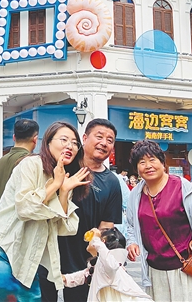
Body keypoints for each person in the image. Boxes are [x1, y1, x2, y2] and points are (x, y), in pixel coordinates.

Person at [0, 121, 91, 301]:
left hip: (28, 260)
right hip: (4, 250)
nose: (70, 146)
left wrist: (64, 191)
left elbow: (65, 228)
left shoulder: (62, 176)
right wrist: (55, 185)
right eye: (64, 140)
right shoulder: (31, 164)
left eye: (75, 143)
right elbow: (24, 208)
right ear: (47, 142)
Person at [39, 118, 124, 301]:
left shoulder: (112, 182)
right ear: (84, 138)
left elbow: (107, 225)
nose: (104, 143)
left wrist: (97, 243)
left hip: (82, 262)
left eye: (110, 140)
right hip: (47, 253)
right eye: (99, 137)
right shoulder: (64, 165)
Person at [125, 140, 192, 301]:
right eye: (142, 162)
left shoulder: (183, 188)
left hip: (185, 270)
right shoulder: (136, 195)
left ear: (162, 163)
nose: (148, 166)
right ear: (137, 168)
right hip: (155, 273)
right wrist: (131, 241)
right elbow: (131, 224)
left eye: (152, 160)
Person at [62, 227, 151, 302]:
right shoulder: (98, 265)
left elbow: (110, 265)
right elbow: (82, 276)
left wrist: (96, 240)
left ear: (102, 242)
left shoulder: (112, 266)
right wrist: (64, 278)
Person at [0, 118, 39, 207]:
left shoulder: (0, 162)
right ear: (35, 139)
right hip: (20, 215)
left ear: (14, 137)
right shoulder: (32, 161)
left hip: (1, 214)